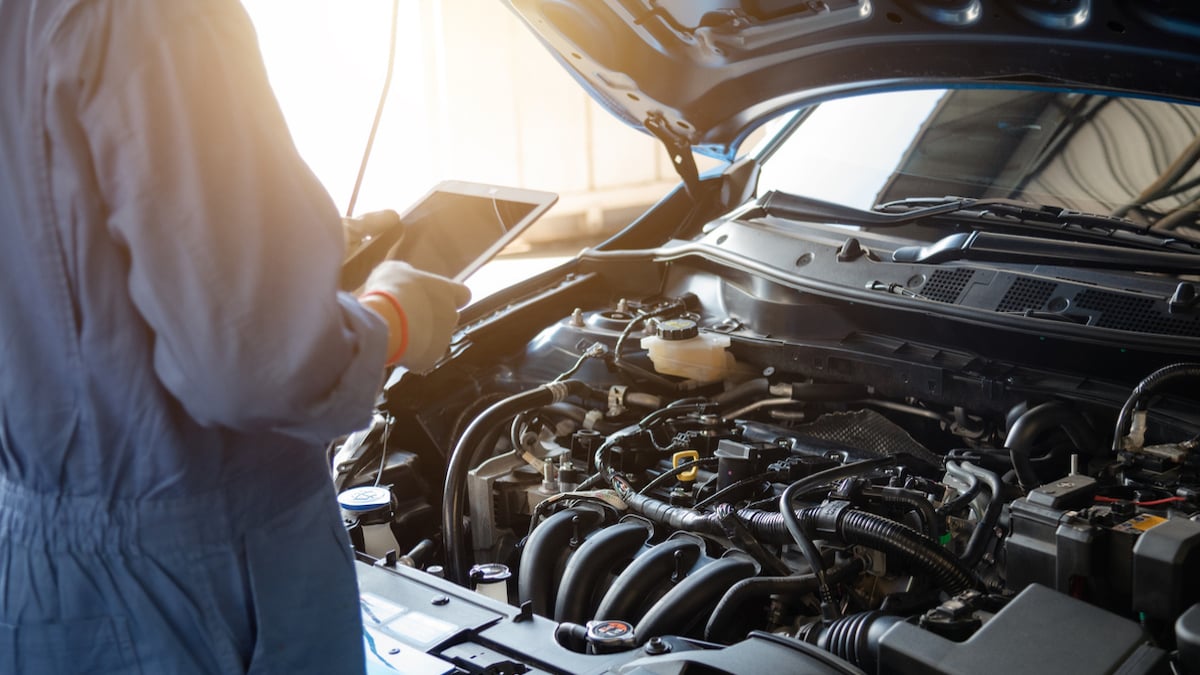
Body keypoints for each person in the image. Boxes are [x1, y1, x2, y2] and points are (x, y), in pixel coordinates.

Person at [0, 1, 469, 673]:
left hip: (32, 569)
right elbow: (257, 365)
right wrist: (394, 317)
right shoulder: (156, 15)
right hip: (193, 583)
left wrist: (272, 250)